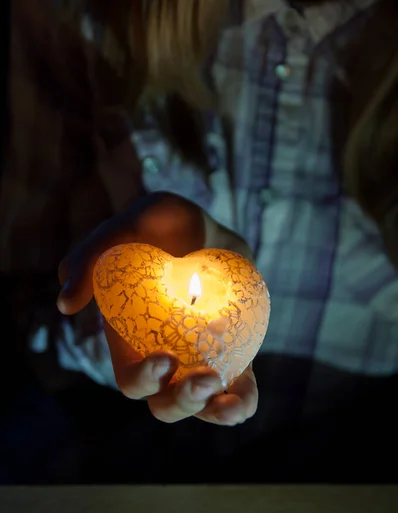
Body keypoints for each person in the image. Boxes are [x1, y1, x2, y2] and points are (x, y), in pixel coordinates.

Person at [2, 0, 398, 481]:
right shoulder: (73, 19)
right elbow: (24, 286)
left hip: (354, 468)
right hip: (101, 460)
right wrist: (102, 321)